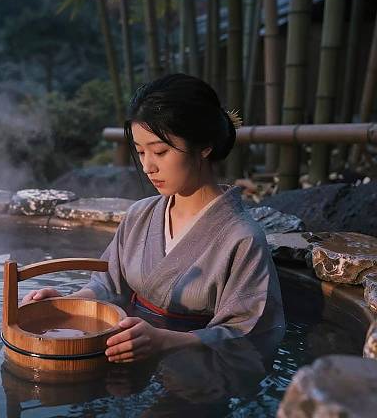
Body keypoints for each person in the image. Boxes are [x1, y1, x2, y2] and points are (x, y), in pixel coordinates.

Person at [22, 74, 285, 363]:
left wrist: (166, 341)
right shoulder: (140, 215)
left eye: (160, 151)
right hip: (128, 355)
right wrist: (67, 305)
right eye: (140, 152)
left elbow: (251, 334)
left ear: (204, 146)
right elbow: (108, 286)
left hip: (199, 378)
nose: (148, 166)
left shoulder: (242, 239)